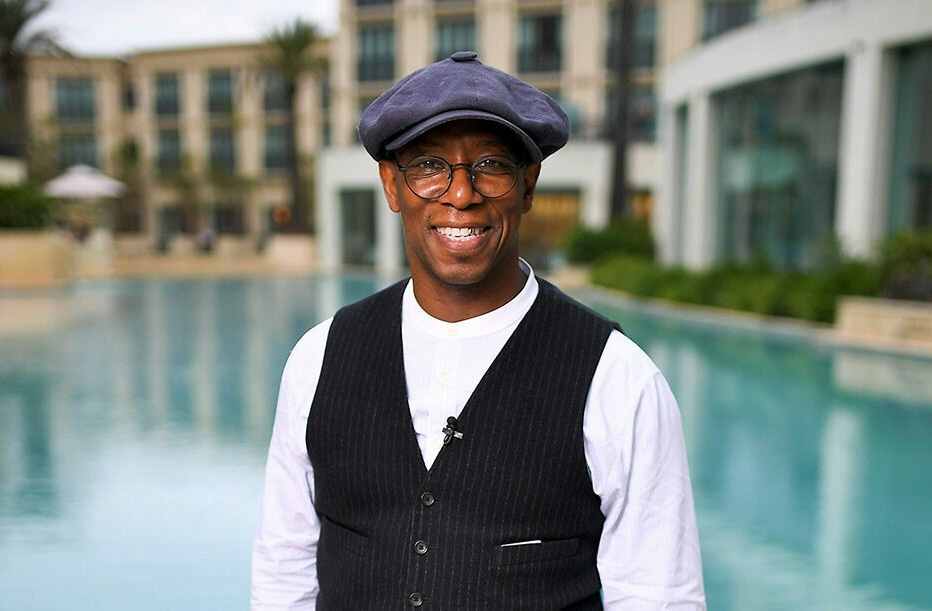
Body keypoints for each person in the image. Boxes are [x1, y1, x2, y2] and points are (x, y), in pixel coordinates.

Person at [252, 51, 705, 610]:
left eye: (490, 164)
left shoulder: (617, 378)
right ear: (391, 186)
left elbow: (657, 597)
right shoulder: (318, 359)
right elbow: (284, 573)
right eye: (428, 165)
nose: (461, 194)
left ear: (528, 184)